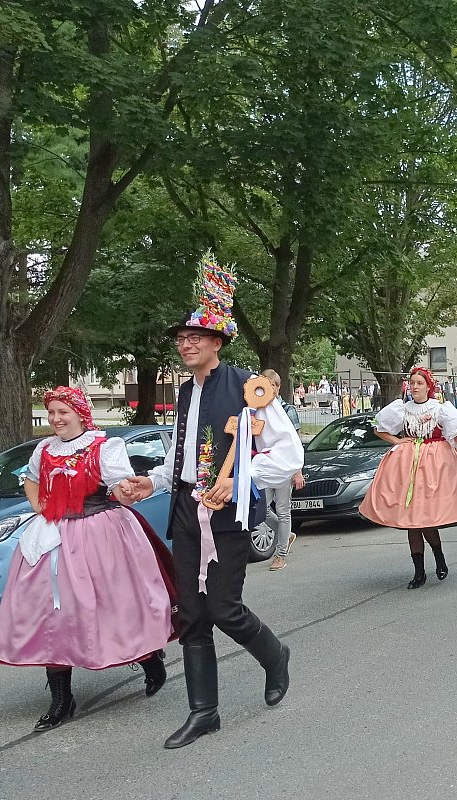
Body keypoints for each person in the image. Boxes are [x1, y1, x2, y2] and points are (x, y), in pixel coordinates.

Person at [119, 258, 304, 750]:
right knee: (191, 614)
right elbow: (184, 456)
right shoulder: (183, 393)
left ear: (217, 342)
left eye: (196, 336)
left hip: (229, 514)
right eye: (181, 337)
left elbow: (288, 455)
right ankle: (204, 713)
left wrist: (241, 479)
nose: (186, 343)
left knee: (222, 607)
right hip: (185, 512)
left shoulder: (249, 389)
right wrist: (151, 481)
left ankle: (275, 655)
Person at [0, 386, 174, 732]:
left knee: (115, 606)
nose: (56, 419)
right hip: (53, 538)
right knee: (51, 613)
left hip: (99, 533)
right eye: (52, 412)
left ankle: (149, 659)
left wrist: (129, 490)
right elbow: (31, 482)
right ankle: (61, 698)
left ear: (80, 413)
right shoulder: (44, 448)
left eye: (63, 412)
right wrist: (41, 507)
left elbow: (121, 490)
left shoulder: (105, 447)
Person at [359, 367, 457, 589]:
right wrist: (397, 441)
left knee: (426, 519)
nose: (414, 387)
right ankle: (419, 572)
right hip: (407, 465)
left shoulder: (439, 409)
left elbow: (456, 433)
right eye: (412, 383)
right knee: (412, 522)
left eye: (419, 383)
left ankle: (439, 558)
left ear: (428, 386)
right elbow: (378, 428)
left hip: (433, 466)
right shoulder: (402, 409)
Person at [260, 370, 307, 572]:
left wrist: (297, 471)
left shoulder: (287, 410)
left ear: (277, 387)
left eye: (271, 385)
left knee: (283, 510)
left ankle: (280, 555)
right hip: (265, 466)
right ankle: (285, 534)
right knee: (260, 510)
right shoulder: (258, 407)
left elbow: (296, 443)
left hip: (284, 468)